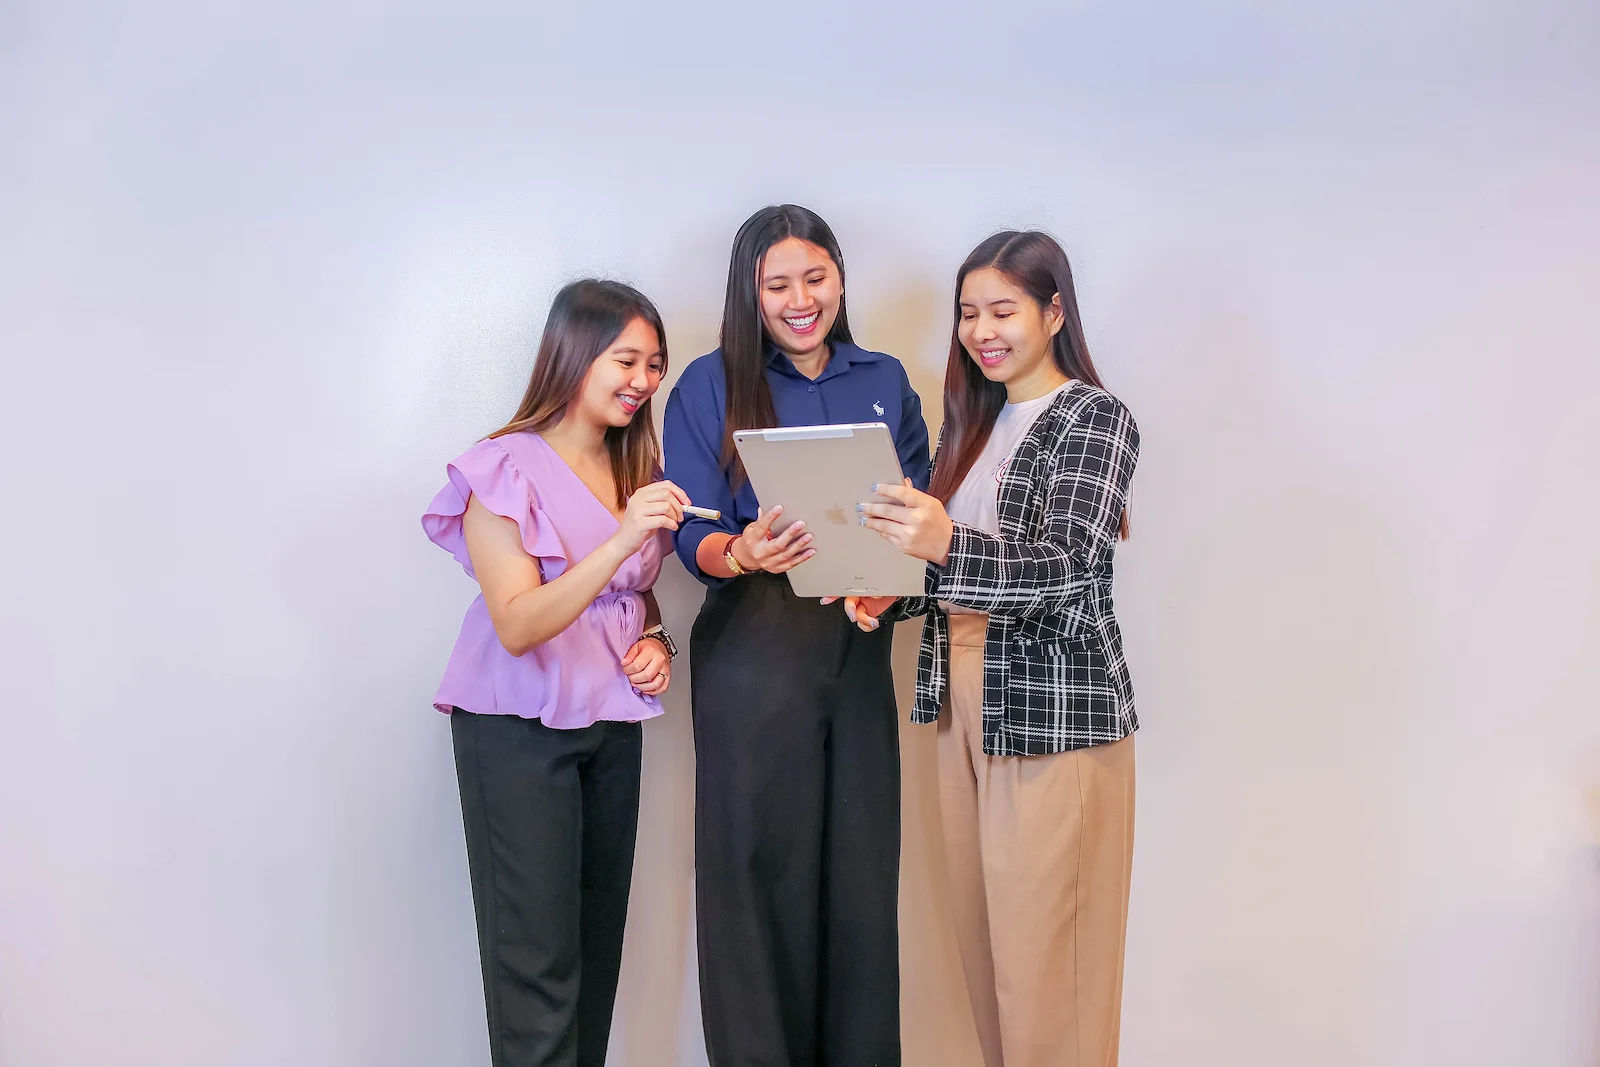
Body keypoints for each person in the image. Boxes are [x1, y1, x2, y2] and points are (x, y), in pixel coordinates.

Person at [842, 231, 1140, 1067]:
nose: (983, 330)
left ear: (1054, 313)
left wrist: (937, 546)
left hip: (1057, 720)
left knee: (1056, 982)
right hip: (959, 706)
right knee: (991, 962)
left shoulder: (1095, 416)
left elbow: (1067, 566)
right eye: (969, 312)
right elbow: (946, 565)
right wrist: (887, 590)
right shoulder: (972, 421)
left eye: (1003, 310)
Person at [662, 204, 931, 1066]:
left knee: (858, 876)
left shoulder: (886, 377)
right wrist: (737, 549)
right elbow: (688, 529)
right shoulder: (709, 383)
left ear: (840, 278)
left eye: (814, 277)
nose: (799, 298)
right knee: (754, 875)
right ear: (751, 291)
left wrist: (884, 592)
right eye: (777, 284)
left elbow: (921, 520)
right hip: (753, 644)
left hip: (854, 645)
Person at [421, 279, 689, 1067]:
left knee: (593, 959)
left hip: (611, 726)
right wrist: (620, 538)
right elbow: (518, 622)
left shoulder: (634, 463)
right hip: (514, 732)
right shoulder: (501, 467)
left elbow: (630, 600)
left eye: (654, 364)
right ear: (573, 356)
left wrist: (660, 641)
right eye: (626, 360)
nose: (643, 380)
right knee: (535, 969)